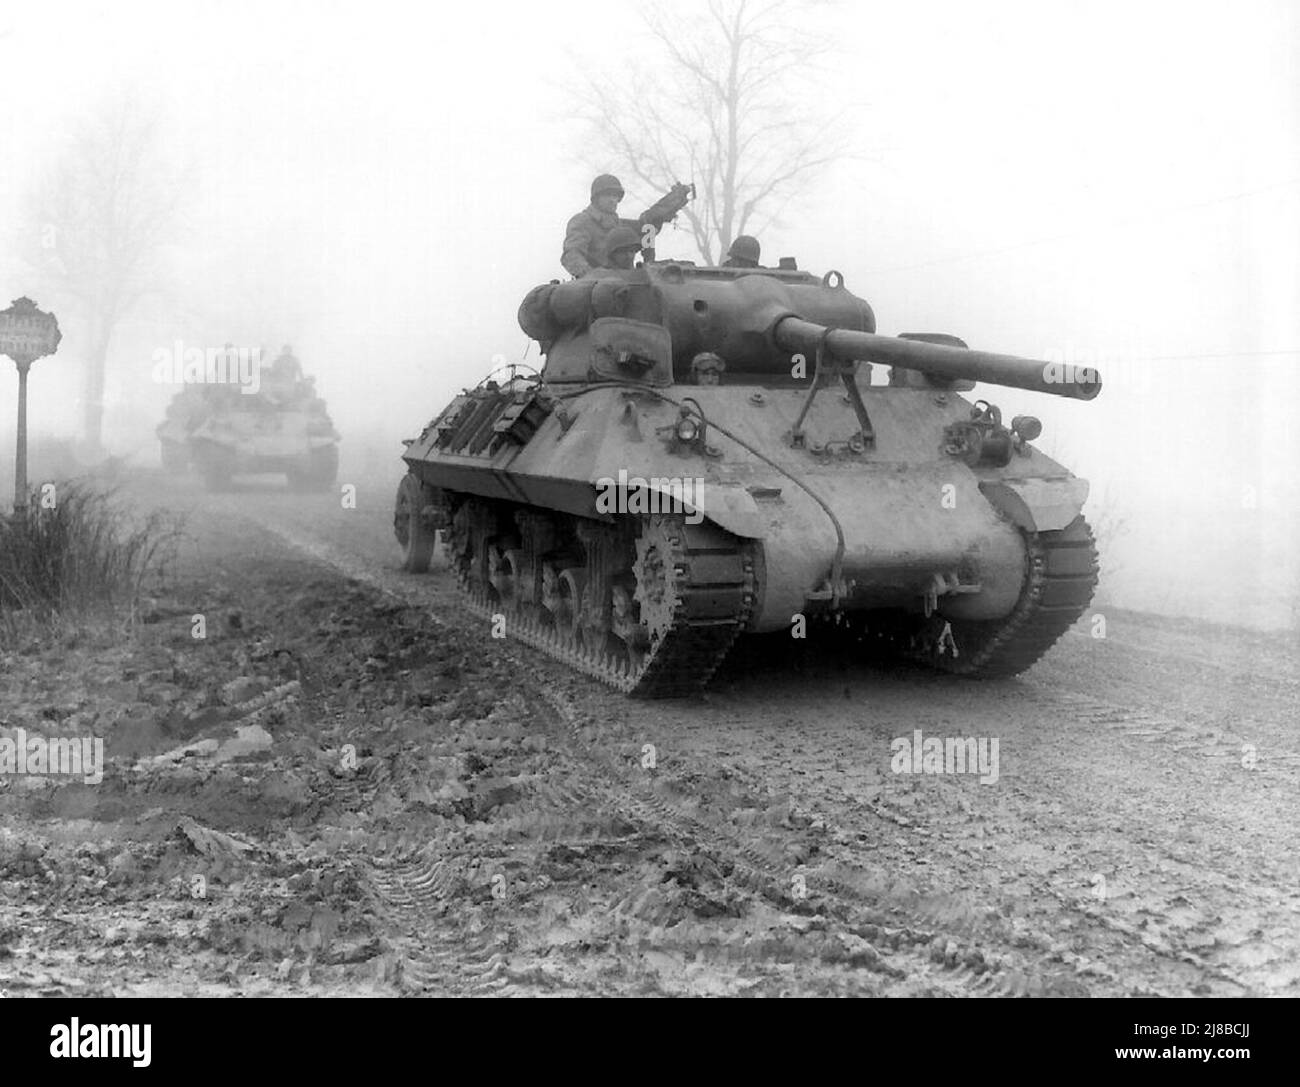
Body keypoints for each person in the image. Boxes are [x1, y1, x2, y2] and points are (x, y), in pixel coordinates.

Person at [561, 173, 692, 277]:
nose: (614, 200)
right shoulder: (582, 222)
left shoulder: (621, 226)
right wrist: (591, 276)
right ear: (596, 198)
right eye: (608, 195)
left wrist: (673, 202)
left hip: (624, 283)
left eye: (616, 196)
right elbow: (572, 255)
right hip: (596, 291)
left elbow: (647, 226)